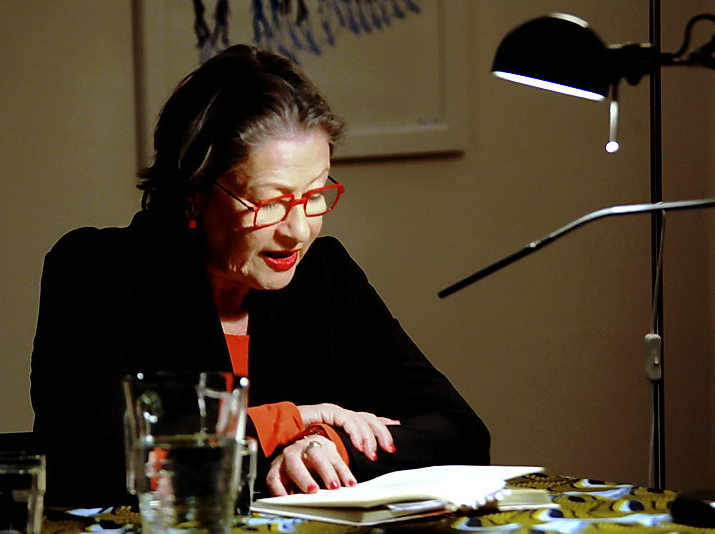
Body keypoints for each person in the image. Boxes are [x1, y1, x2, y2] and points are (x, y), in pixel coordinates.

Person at [30, 44, 489, 506]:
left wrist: (324, 443)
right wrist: (288, 422)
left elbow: (461, 432)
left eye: (314, 195)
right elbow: (94, 459)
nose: (298, 231)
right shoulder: (95, 269)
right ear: (194, 192)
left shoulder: (325, 274)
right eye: (271, 203)